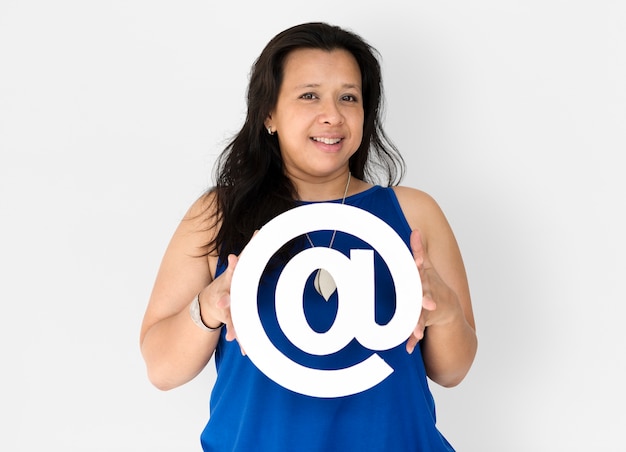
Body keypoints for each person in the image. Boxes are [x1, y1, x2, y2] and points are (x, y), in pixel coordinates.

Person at [140, 22, 477, 451]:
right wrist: (208, 308)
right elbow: (160, 369)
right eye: (309, 95)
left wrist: (444, 311)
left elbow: (454, 370)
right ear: (269, 114)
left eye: (348, 97)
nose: (332, 115)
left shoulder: (414, 213)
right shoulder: (217, 214)